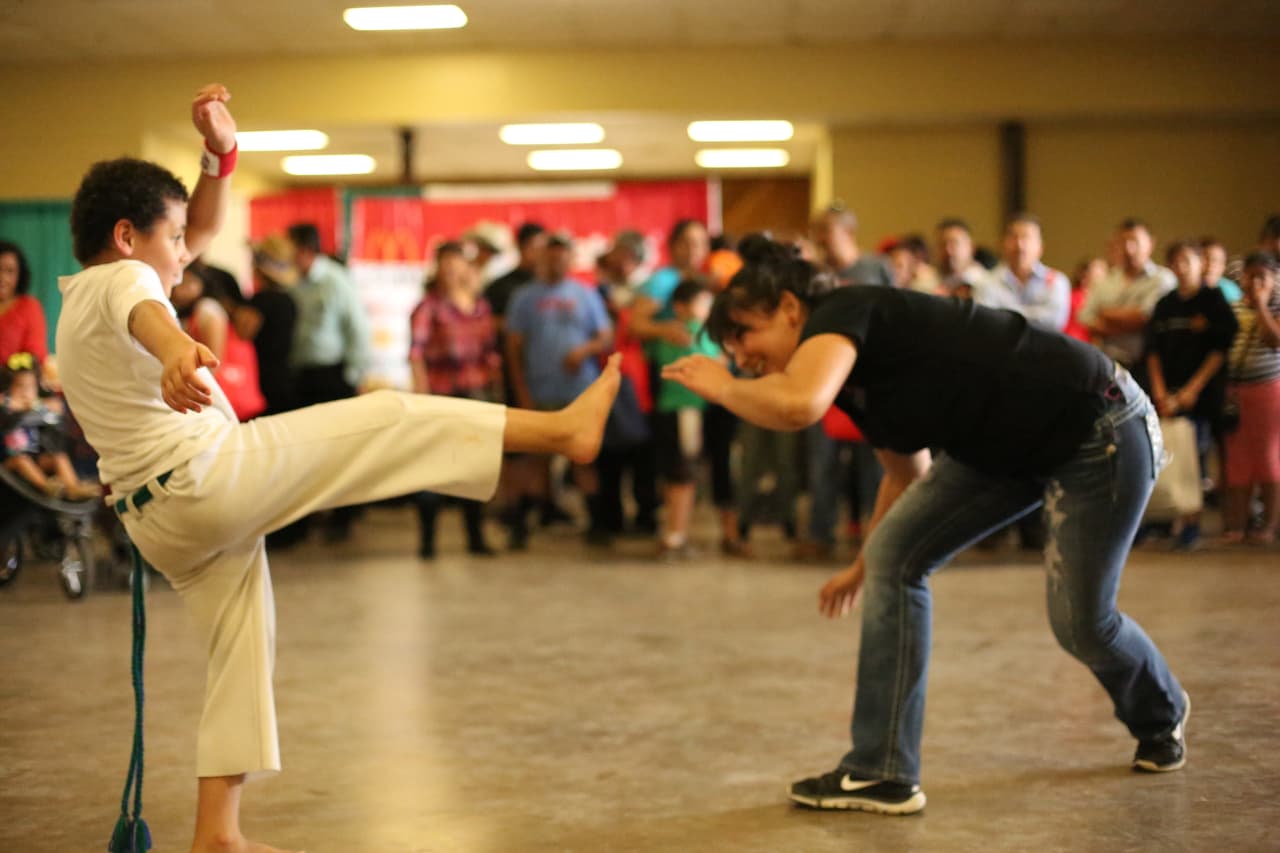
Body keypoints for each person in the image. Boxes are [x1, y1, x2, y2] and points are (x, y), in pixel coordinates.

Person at [54, 84, 622, 853]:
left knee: (240, 647)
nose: (190, 249)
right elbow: (147, 310)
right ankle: (561, 432)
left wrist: (220, 157)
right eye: (174, 235)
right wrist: (179, 348)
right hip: (201, 479)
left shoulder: (79, 297)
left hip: (159, 521)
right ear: (127, 235)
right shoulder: (121, 283)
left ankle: (218, 833)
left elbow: (197, 236)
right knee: (388, 412)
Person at [661, 235, 1189, 815]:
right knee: (896, 559)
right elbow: (905, 473)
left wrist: (722, 387)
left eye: (744, 337)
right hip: (1002, 452)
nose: (739, 358)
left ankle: (1160, 712)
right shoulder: (857, 384)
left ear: (791, 309)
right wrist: (866, 565)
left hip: (1100, 427)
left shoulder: (845, 310)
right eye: (730, 351)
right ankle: (881, 770)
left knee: (1081, 624)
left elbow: (797, 405)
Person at [504, 232, 614, 546]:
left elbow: (605, 334)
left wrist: (584, 350)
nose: (557, 263)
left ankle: (596, 525)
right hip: (540, 391)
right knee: (534, 461)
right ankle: (521, 525)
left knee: (583, 457)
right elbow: (513, 349)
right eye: (551, 257)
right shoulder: (524, 298)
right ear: (542, 259)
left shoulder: (585, 294)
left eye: (563, 257)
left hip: (580, 392)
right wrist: (521, 391)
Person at [408, 241, 500, 558]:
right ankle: (428, 542)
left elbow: (490, 354)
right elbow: (416, 354)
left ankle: (475, 537)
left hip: (475, 395)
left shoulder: (479, 307)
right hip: (439, 395)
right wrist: (421, 395)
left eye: (456, 264)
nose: (451, 271)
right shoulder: (428, 308)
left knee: (473, 469)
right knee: (434, 469)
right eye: (444, 265)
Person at [1145, 241, 1238, 549]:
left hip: (1200, 397)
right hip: (1165, 396)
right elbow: (1153, 350)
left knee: (1195, 460)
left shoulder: (1213, 301)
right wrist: (1159, 391)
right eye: (1176, 262)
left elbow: (1219, 350)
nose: (1181, 268)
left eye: (1188, 261)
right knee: (1164, 458)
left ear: (1200, 264)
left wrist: (1191, 390)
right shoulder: (1165, 303)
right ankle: (1162, 520)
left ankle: (1192, 524)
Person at [649, 279, 721, 557]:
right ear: (680, 307)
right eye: (703, 303)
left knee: (673, 473)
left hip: (669, 409)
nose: (708, 309)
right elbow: (716, 365)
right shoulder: (693, 332)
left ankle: (672, 532)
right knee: (684, 473)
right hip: (686, 410)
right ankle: (676, 536)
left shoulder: (665, 333)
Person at [1220, 252, 1280, 544]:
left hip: (1268, 391)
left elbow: (1274, 339)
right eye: (1250, 275)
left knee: (1269, 459)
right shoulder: (1231, 308)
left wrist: (1261, 306)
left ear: (1273, 280)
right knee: (1237, 462)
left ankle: (1268, 526)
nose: (1255, 282)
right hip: (1234, 392)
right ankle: (1237, 526)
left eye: (1262, 277)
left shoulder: (1277, 308)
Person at [1079, 218, 1176, 373]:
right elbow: (1086, 317)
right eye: (1123, 241)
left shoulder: (1162, 279)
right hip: (1109, 365)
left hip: (1146, 367)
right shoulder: (1105, 281)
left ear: (1150, 243)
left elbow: (1145, 317)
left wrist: (1105, 313)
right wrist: (1129, 323)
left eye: (1135, 242)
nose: (1129, 248)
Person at [170, 264, 266, 421]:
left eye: (190, 282)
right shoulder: (189, 311)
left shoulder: (207, 309)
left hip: (223, 388)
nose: (182, 289)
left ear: (203, 283)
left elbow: (214, 360)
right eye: (180, 282)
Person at [2, 352, 99, 499]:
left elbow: (56, 410)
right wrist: (13, 405)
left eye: (30, 387)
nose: (25, 392)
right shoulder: (6, 404)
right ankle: (46, 487)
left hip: (36, 458)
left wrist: (39, 406)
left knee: (58, 457)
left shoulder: (40, 405)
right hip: (10, 463)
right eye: (20, 386)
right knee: (22, 460)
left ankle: (73, 487)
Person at [974, 213, 1071, 333]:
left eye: (1026, 237)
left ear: (1040, 247)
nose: (1020, 245)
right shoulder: (985, 282)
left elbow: (1054, 321)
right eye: (1013, 237)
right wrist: (1035, 314)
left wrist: (1004, 314)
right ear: (1001, 244)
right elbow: (986, 321)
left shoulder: (1057, 281)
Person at [0, 240, 49, 367]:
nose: (2, 277)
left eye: (10, 271)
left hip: (17, 383)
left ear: (20, 275)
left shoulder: (30, 307)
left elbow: (36, 355)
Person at [1201, 237, 1242, 303]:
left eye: (1216, 261)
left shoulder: (1230, 291)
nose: (1210, 266)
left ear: (1223, 267)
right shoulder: (1183, 287)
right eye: (1205, 259)